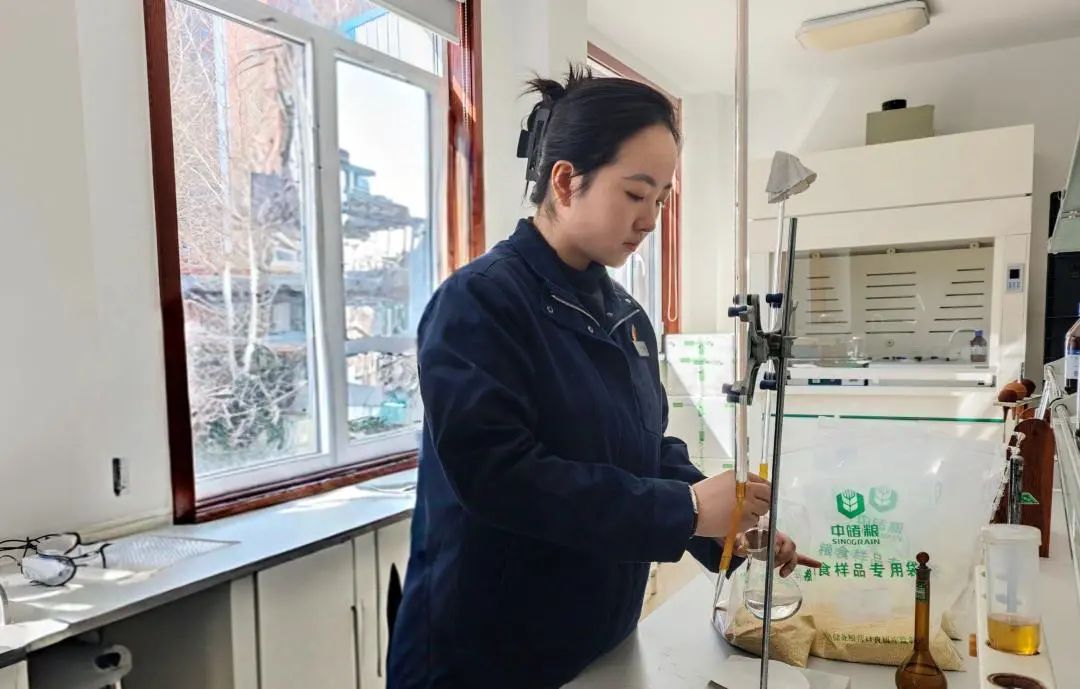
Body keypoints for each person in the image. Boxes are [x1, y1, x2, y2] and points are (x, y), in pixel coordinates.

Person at [388, 66, 811, 689]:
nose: (651, 220)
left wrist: (727, 530)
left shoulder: (626, 317)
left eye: (661, 199)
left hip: (598, 640)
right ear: (566, 181)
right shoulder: (480, 303)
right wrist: (689, 509)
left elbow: (647, 450)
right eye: (635, 194)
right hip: (486, 652)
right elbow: (499, 478)